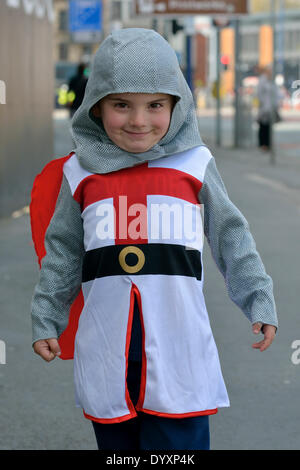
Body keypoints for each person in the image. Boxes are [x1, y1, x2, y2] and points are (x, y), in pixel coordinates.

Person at [30, 29, 278, 451]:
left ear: (177, 105)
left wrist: (258, 297)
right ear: (96, 106)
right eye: (121, 104)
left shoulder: (194, 164)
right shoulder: (80, 173)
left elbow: (231, 236)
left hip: (178, 348)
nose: (139, 120)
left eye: (156, 105)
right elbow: (63, 253)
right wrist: (47, 317)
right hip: (107, 349)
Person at [257, 65, 282, 151]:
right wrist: (263, 104)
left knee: (269, 127)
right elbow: (259, 93)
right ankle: (263, 144)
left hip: (271, 107)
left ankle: (268, 144)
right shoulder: (263, 80)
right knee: (263, 126)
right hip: (264, 108)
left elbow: (277, 93)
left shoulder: (272, 80)